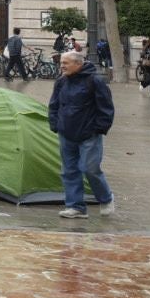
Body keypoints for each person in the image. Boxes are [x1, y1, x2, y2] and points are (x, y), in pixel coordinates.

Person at [47, 50, 115, 220]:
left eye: (65, 63)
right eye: (61, 63)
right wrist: (55, 124)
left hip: (88, 134)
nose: (62, 66)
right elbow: (54, 105)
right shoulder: (61, 81)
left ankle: (106, 198)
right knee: (69, 171)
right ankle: (75, 207)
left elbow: (106, 107)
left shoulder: (95, 81)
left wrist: (99, 129)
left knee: (89, 169)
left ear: (78, 64)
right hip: (66, 133)